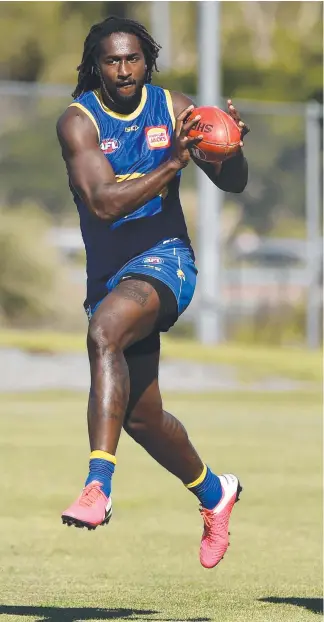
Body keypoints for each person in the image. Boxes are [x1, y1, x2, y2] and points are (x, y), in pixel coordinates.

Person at [56, 15, 249, 569]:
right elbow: (102, 202)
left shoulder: (174, 108)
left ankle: (98, 484)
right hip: (109, 276)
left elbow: (231, 182)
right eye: (113, 61)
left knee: (104, 333)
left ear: (148, 61)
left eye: (134, 59)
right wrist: (172, 163)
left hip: (167, 263)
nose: (125, 70)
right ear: (97, 65)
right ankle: (216, 493)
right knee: (141, 419)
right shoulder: (78, 122)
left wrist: (229, 151)